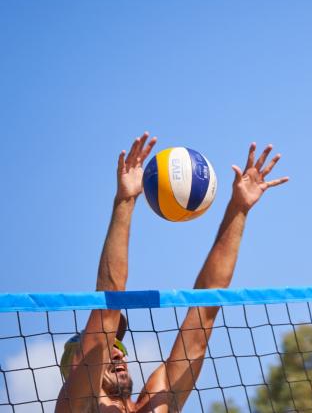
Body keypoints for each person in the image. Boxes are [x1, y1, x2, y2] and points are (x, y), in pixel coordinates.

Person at [56, 133, 288, 412]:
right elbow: (107, 310)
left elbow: (203, 314)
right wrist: (125, 202)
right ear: (74, 369)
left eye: (118, 345)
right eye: (108, 347)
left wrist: (238, 209)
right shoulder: (75, 406)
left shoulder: (155, 406)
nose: (117, 351)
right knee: (106, 316)